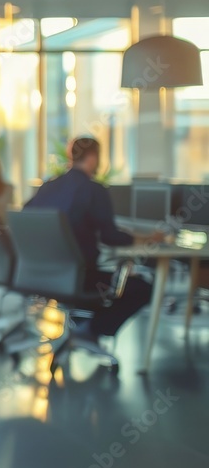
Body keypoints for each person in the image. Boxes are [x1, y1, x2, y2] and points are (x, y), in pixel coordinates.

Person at [25, 137, 161, 339]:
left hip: (38, 276)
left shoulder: (47, 188)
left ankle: (81, 325)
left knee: (101, 280)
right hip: (78, 280)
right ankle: (91, 330)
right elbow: (111, 237)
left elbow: (25, 218)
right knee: (142, 288)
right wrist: (147, 239)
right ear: (93, 158)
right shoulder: (93, 190)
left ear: (71, 156)